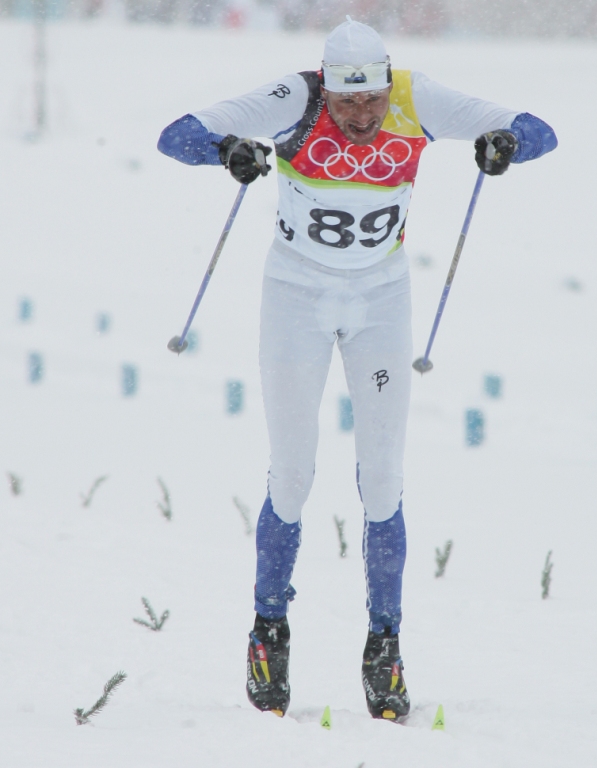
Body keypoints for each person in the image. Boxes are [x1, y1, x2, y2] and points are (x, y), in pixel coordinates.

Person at [157, 17, 557, 721]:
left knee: (383, 475)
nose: (362, 115)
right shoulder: (294, 98)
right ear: (326, 87)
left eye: (370, 99)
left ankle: (385, 646)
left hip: (380, 299)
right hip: (295, 297)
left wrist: (507, 143)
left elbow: (538, 129)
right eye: (347, 104)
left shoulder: (415, 96)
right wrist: (228, 150)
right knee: (294, 470)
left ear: (386, 80)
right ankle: (268, 632)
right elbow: (175, 135)